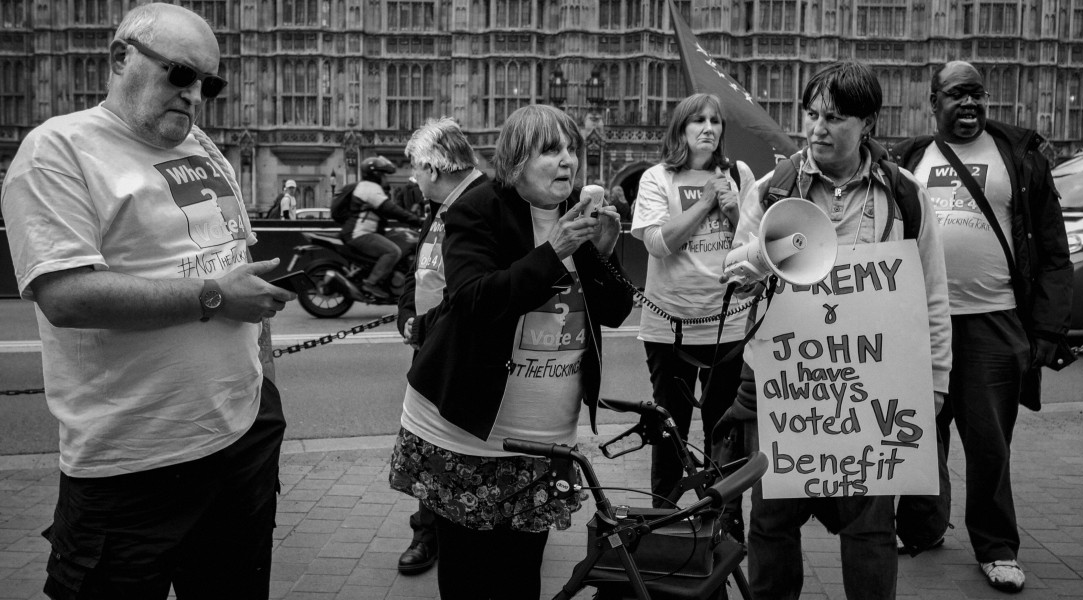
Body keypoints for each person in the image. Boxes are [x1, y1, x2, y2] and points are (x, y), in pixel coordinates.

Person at [0, 4, 293, 599]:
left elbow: (236, 258)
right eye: (180, 75)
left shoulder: (203, 147)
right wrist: (217, 296)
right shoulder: (58, 150)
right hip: (133, 464)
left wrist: (262, 379)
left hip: (242, 441)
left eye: (209, 84)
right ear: (119, 58)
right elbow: (68, 296)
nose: (194, 96)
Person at [721, 60, 952, 600]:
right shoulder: (774, 190)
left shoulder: (905, 195)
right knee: (772, 525)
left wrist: (935, 383)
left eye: (835, 117)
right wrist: (767, 251)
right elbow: (733, 275)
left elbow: (933, 295)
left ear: (867, 123)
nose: (817, 128)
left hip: (869, 390)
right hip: (786, 388)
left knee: (870, 529)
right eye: (811, 114)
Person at [388, 104, 634, 599]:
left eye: (571, 150)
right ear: (517, 160)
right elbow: (476, 300)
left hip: (545, 440)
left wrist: (603, 253)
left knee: (522, 577)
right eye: (550, 150)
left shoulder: (574, 216)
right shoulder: (476, 208)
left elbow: (614, 311)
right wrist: (555, 251)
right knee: (469, 579)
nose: (567, 161)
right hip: (468, 433)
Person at [892, 60, 1074, 593]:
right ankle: (922, 526)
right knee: (922, 434)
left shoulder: (1020, 158)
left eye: (976, 94)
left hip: (994, 321)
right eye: (956, 95)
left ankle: (997, 547)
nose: (968, 103)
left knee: (989, 444)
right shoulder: (912, 159)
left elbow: (1054, 251)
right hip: (924, 322)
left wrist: (1047, 332)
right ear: (933, 103)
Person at [629, 92, 754, 539]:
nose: (709, 128)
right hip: (671, 327)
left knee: (725, 429)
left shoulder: (738, 174)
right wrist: (703, 204)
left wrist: (735, 207)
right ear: (680, 129)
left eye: (715, 120)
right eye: (697, 120)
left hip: (730, 323)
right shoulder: (656, 179)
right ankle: (662, 512)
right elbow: (658, 244)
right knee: (669, 428)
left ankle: (723, 514)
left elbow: (752, 242)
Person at [392, 116, 488, 575]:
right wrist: (408, 317)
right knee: (428, 444)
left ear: (434, 167)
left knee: (446, 447)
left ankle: (438, 536)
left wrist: (427, 326)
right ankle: (430, 531)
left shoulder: (482, 203)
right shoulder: (443, 203)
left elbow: (475, 288)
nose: (413, 178)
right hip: (429, 341)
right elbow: (422, 270)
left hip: (457, 348)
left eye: (416, 168)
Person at [339, 155, 422, 300]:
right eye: (384, 174)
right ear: (376, 175)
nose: (386, 179)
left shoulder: (368, 187)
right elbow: (391, 209)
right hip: (359, 234)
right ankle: (371, 283)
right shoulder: (369, 189)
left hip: (364, 232)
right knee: (393, 251)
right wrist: (417, 221)